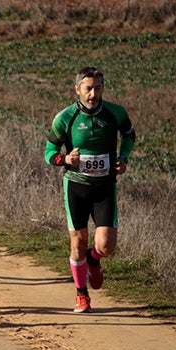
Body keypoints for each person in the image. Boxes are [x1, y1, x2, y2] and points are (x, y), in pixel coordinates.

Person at [44, 66, 136, 313]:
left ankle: (94, 260)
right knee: (78, 240)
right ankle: (81, 294)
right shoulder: (65, 118)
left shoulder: (116, 113)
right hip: (76, 186)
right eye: (88, 89)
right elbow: (49, 153)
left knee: (106, 245)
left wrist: (124, 158)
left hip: (105, 186)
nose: (93, 94)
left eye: (97, 88)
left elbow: (129, 136)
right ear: (77, 90)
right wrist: (64, 160)